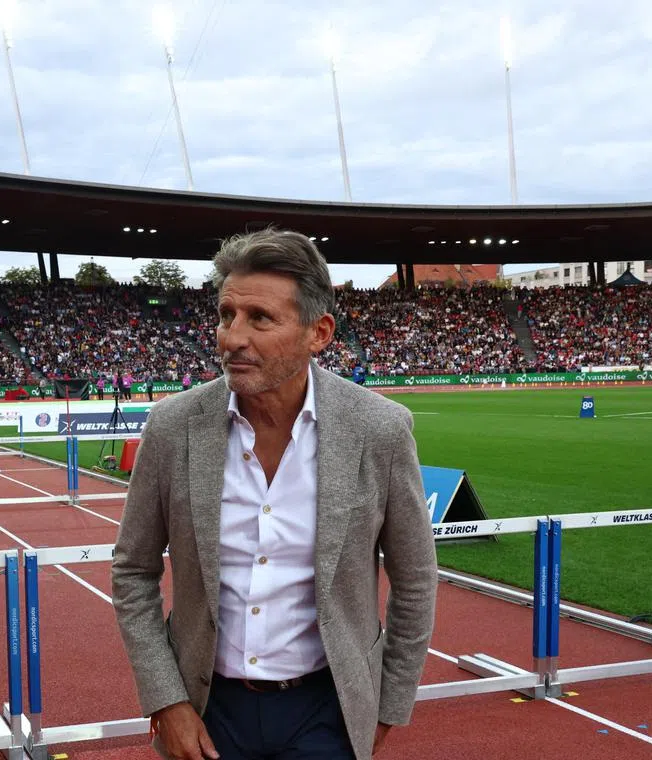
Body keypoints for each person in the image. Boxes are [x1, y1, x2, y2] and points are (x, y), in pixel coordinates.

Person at [111, 228, 437, 760]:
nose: (232, 337)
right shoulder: (172, 426)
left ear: (319, 332)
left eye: (260, 319)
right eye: (225, 315)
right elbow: (133, 569)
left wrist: (384, 707)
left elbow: (416, 578)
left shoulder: (379, 429)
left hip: (325, 712)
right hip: (206, 709)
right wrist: (166, 700)